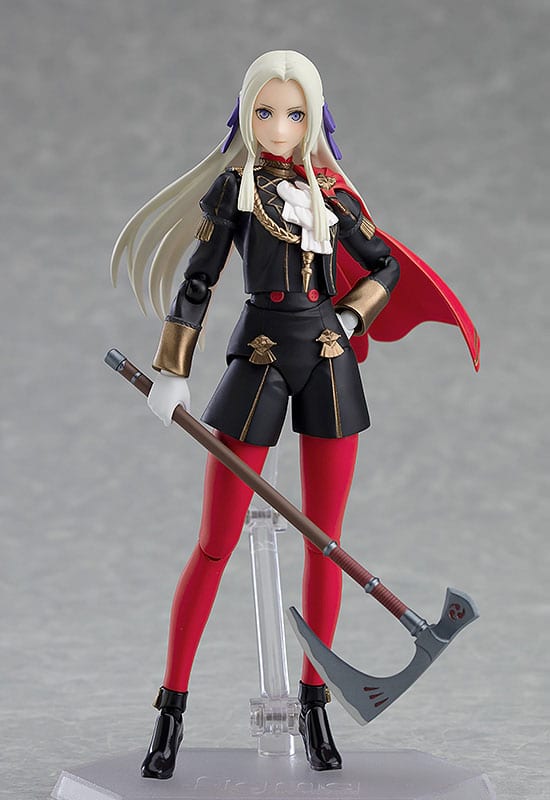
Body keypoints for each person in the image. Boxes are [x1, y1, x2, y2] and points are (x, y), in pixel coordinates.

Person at [111, 50, 479, 780]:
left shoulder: (332, 194)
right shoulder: (236, 189)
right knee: (215, 541)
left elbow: (385, 264)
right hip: (258, 357)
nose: (280, 126)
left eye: (295, 113)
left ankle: (316, 703)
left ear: (314, 118)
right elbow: (199, 280)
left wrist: (352, 314)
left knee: (325, 543)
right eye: (266, 112)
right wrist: (173, 369)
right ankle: (170, 709)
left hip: (330, 360)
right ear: (246, 115)